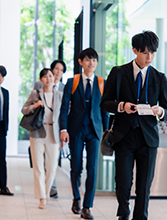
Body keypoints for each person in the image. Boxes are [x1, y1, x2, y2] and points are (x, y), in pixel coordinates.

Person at [100, 30, 167, 220]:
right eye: (145, 53)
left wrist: (161, 111)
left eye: (153, 53)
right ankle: (123, 213)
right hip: (124, 136)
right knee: (123, 183)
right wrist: (122, 106)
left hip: (148, 139)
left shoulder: (160, 78)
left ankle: (141, 217)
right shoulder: (118, 72)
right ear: (134, 50)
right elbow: (105, 103)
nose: (149, 57)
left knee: (144, 185)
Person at [59, 47, 109, 219]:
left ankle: (87, 206)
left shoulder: (102, 82)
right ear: (81, 62)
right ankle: (76, 197)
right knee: (76, 167)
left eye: (94, 60)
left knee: (93, 168)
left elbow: (105, 110)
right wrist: (63, 129)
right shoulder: (72, 81)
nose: (91, 63)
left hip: (94, 131)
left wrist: (107, 131)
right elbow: (64, 107)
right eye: (88, 60)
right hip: (76, 129)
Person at [22, 68, 63, 209]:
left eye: (50, 76)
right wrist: (35, 105)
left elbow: (64, 117)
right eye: (45, 77)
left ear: (54, 78)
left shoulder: (60, 95)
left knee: (51, 168)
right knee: (38, 167)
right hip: (37, 132)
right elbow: (24, 109)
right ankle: (42, 197)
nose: (48, 78)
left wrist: (64, 134)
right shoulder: (36, 93)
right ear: (41, 80)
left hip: (54, 133)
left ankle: (45, 192)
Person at [34, 60, 66, 199]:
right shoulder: (38, 89)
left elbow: (64, 113)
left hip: (55, 130)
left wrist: (63, 131)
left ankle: (48, 190)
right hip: (39, 130)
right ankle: (44, 194)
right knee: (40, 165)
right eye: (56, 69)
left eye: (61, 70)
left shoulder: (63, 90)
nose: (58, 72)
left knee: (52, 165)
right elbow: (28, 107)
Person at [0, 65, 14, 196]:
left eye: (1, 76)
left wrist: (6, 129)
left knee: (2, 158)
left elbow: (6, 112)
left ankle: (3, 187)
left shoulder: (5, 92)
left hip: (1, 128)